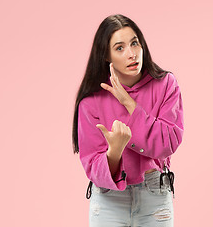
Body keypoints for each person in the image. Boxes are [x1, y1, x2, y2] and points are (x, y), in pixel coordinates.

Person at [72, 14, 184, 227]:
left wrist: (129, 103)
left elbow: (168, 143)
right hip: (108, 201)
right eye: (120, 48)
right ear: (106, 55)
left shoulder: (166, 85)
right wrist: (114, 152)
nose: (132, 54)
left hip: (155, 194)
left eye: (134, 43)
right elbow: (92, 164)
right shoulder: (91, 100)